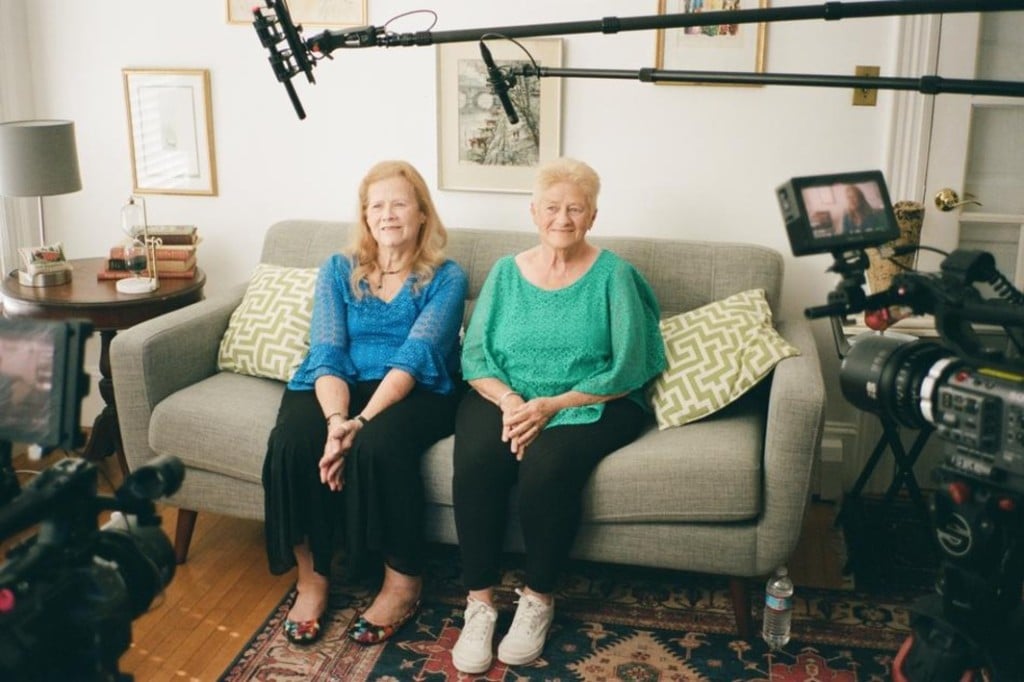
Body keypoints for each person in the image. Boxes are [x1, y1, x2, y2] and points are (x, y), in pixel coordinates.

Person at [449, 157, 667, 673]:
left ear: (592, 216)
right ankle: (480, 604)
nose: (562, 219)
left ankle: (538, 598)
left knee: (545, 469)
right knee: (479, 460)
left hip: (592, 402)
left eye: (575, 208)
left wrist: (550, 407)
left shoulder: (614, 274)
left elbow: (628, 366)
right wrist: (510, 402)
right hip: (507, 397)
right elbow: (475, 356)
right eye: (552, 207)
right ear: (533, 212)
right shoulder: (506, 272)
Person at [261, 160, 468, 646]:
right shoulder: (338, 268)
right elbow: (327, 349)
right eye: (377, 205)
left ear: (421, 214)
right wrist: (336, 420)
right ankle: (312, 579)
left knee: (378, 444)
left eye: (399, 203)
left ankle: (402, 582)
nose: (388, 214)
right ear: (364, 215)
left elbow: (416, 356)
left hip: (415, 386)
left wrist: (361, 421)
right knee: (293, 441)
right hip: (339, 382)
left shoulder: (446, 276)